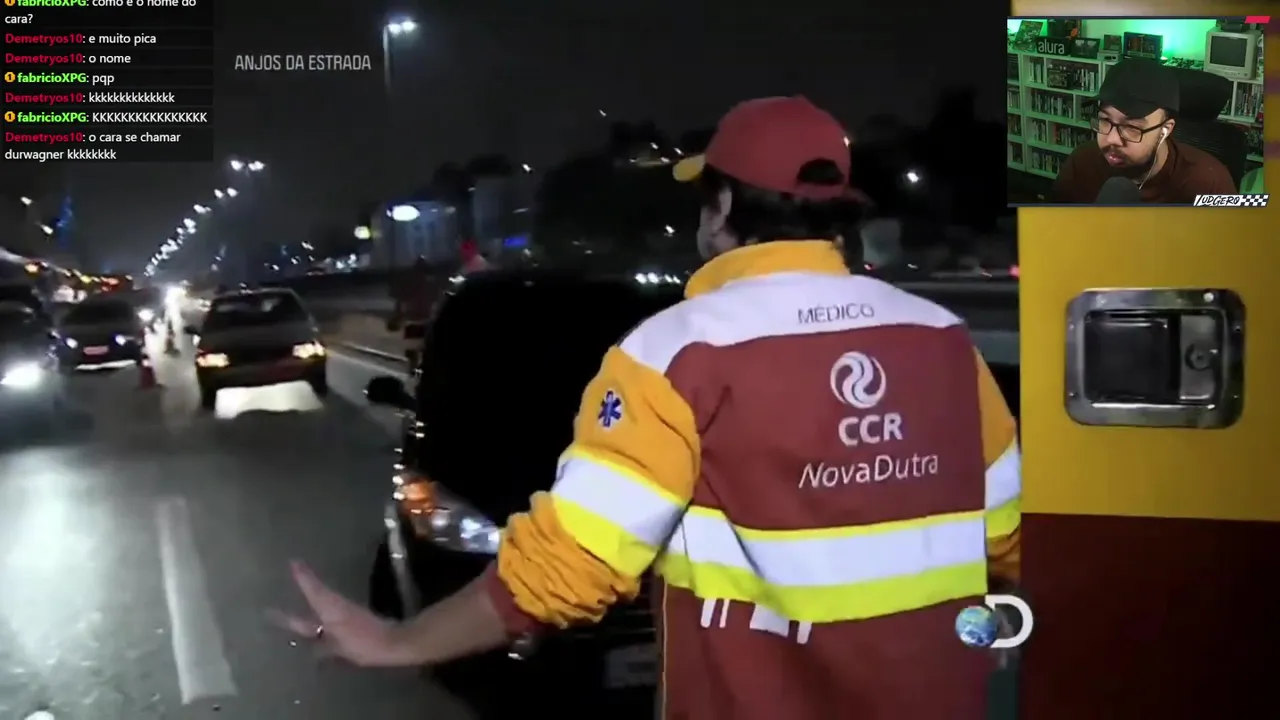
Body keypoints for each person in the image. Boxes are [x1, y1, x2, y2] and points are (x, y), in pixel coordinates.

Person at [277, 96, 1021, 720]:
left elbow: (575, 562)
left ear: (722, 207)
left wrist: (398, 642)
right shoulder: (942, 340)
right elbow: (1009, 539)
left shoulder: (677, 352)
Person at [1050, 59, 1237, 204]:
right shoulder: (1082, 162)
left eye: (1132, 127)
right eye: (1105, 120)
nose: (1111, 139)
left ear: (1165, 130)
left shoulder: (1210, 182)